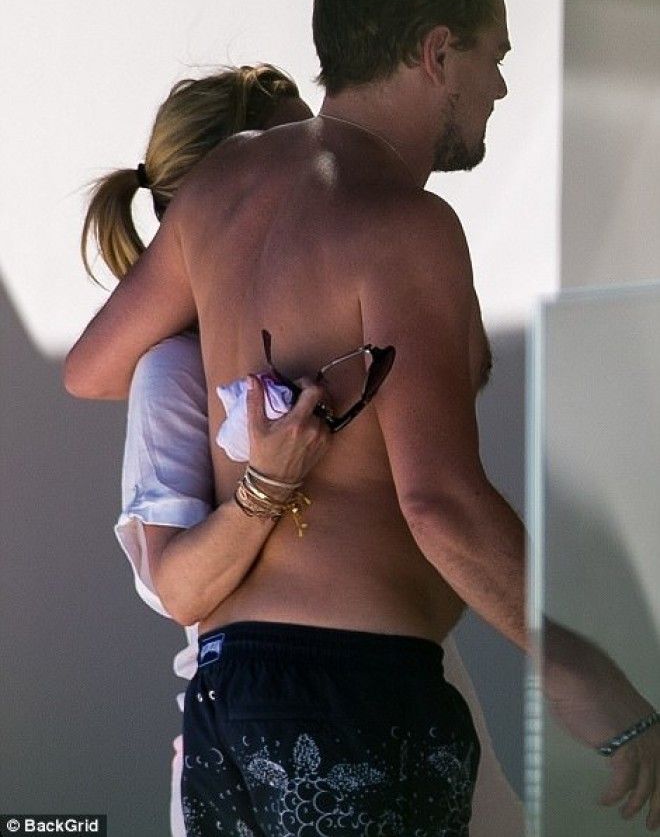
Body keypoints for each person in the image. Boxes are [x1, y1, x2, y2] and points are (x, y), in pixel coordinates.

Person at [65, 0, 659, 834]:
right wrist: (579, 667)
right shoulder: (405, 223)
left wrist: (250, 328)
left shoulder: (225, 184)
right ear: (436, 53)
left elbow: (91, 366)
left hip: (228, 702)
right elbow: (440, 503)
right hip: (355, 707)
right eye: (495, 56)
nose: (502, 85)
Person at [80, 61, 522, 835]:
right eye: (290, 149)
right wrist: (264, 486)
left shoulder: (360, 272)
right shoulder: (172, 369)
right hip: (282, 719)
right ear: (231, 186)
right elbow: (179, 587)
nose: (321, 166)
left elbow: (469, 377)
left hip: (404, 673)